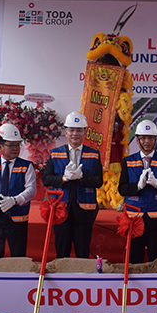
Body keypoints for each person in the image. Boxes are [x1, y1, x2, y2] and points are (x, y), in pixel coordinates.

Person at [42, 111, 103, 258]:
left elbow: (98, 181)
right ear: (66, 132)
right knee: (62, 251)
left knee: (82, 252)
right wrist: (63, 178)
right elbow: (46, 179)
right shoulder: (55, 154)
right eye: (71, 129)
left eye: (79, 130)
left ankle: (82, 281)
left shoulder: (94, 154)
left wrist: (82, 176)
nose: (75, 133)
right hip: (61, 210)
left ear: (85, 132)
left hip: (85, 212)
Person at [118, 120, 157, 263]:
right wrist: (137, 186)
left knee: (155, 257)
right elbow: (122, 189)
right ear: (137, 140)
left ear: (156, 139)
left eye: (150, 138)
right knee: (134, 257)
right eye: (143, 138)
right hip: (134, 218)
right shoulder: (128, 161)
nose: (147, 141)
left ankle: (154, 284)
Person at [0, 124, 36, 260]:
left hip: (17, 218)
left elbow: (31, 189)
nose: (15, 149)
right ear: (0, 146)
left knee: (18, 256)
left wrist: (15, 200)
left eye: (18, 145)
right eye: (11, 145)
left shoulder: (26, 166)